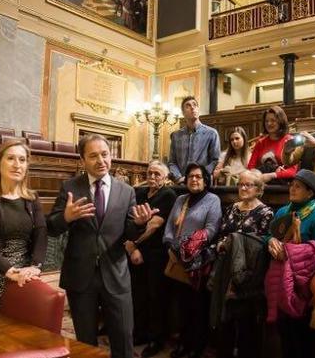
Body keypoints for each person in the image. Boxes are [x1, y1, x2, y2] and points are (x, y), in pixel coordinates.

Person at [47, 134, 152, 358]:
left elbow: (129, 232)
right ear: (83, 160)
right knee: (86, 344)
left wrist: (140, 225)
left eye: (105, 154)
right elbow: (52, 228)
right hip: (80, 277)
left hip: (116, 274)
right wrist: (65, 217)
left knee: (123, 338)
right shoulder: (70, 188)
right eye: (93, 156)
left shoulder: (127, 191)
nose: (101, 160)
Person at [0, 140, 47, 311]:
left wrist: (35, 266)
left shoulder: (32, 198)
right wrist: (9, 271)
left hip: (25, 275)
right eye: (11, 158)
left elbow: (41, 234)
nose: (17, 165)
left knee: (24, 328)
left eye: (22, 159)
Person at [266, 169, 315, 358]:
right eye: (291, 185)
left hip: (302, 282)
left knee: (300, 333)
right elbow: (271, 234)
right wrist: (270, 241)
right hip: (280, 277)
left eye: (298, 187)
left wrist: (292, 245)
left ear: (310, 193)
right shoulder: (283, 211)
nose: (292, 189)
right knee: (284, 330)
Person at [211, 169, 273, 358]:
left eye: (248, 185)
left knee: (246, 326)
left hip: (248, 275)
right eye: (240, 184)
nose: (243, 188)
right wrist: (221, 245)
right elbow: (220, 234)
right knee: (225, 322)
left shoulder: (265, 212)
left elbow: (262, 245)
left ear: (259, 189)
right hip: (225, 269)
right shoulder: (231, 208)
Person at [163, 163, 221, 358]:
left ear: (205, 180)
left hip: (198, 262)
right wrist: (173, 246)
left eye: (198, 176)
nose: (194, 180)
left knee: (198, 307)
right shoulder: (181, 199)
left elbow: (212, 229)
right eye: (190, 177)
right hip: (177, 259)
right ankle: (183, 344)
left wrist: (191, 248)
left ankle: (197, 346)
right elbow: (170, 228)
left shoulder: (213, 200)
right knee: (180, 305)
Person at [125, 160, 177, 358]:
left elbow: (154, 225)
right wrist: (130, 246)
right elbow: (127, 220)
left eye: (157, 174)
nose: (152, 177)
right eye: (150, 173)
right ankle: (140, 333)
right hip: (134, 250)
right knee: (137, 294)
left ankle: (156, 339)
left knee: (156, 297)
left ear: (165, 178)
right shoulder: (139, 193)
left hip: (156, 253)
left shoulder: (168, 195)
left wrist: (133, 244)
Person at [168, 96, 220, 184]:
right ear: (183, 113)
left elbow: (215, 160)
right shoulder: (176, 136)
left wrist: (200, 176)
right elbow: (172, 162)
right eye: (188, 106)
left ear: (198, 110)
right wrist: (179, 178)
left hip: (202, 183)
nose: (192, 107)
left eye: (195, 105)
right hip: (181, 183)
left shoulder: (211, 133)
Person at [247, 106, 297, 183]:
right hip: (262, 183)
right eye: (266, 121)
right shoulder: (260, 143)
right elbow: (250, 168)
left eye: (273, 120)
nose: (269, 123)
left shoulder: (289, 141)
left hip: (282, 186)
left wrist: (272, 175)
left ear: (281, 121)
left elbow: (293, 171)